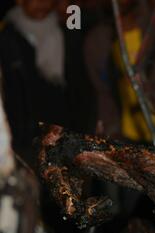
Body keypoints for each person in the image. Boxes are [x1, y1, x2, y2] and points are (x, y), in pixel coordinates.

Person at [0, 0, 95, 164]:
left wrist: (71, 8)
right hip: (24, 139)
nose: (42, 4)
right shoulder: (8, 35)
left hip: (66, 133)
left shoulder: (66, 26)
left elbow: (84, 26)